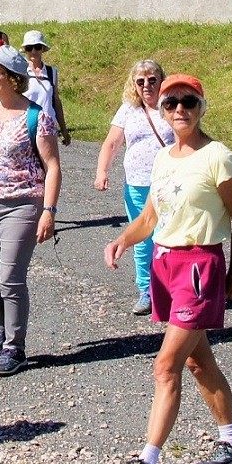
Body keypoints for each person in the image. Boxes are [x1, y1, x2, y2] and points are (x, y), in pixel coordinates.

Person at [105, 74, 232, 464]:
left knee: (165, 365)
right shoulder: (164, 158)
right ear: (162, 110)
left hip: (198, 266)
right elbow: (152, 219)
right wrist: (121, 240)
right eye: (171, 103)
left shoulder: (218, 157)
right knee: (195, 361)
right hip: (165, 265)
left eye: (188, 102)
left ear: (201, 106)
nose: (179, 110)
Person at [0, 46, 62, 376]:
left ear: (14, 80)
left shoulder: (37, 117)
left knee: (10, 279)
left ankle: (15, 346)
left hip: (22, 204)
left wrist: (48, 210)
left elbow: (52, 166)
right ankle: (1, 324)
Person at [94, 59, 175, 316]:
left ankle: (171, 290)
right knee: (142, 240)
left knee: (167, 238)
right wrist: (102, 171)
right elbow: (112, 142)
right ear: (134, 85)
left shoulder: (172, 106)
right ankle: (146, 291)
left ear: (162, 80)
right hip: (137, 184)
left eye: (152, 79)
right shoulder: (128, 110)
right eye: (140, 81)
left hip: (168, 184)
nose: (146, 85)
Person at [20, 31, 72, 147]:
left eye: (37, 47)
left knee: (50, 164)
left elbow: (56, 101)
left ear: (43, 49)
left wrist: (64, 130)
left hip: (48, 127)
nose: (33, 51)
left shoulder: (51, 72)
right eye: (29, 48)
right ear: (25, 50)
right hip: (26, 127)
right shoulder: (20, 72)